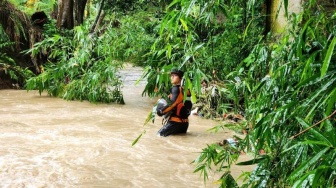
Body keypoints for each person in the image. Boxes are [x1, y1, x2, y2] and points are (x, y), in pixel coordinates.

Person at [156, 69, 192, 137]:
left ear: (180, 78)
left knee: (158, 136)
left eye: (175, 75)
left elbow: (173, 103)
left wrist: (161, 111)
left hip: (175, 123)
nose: (172, 77)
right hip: (185, 124)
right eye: (171, 75)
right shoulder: (186, 89)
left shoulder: (176, 89)